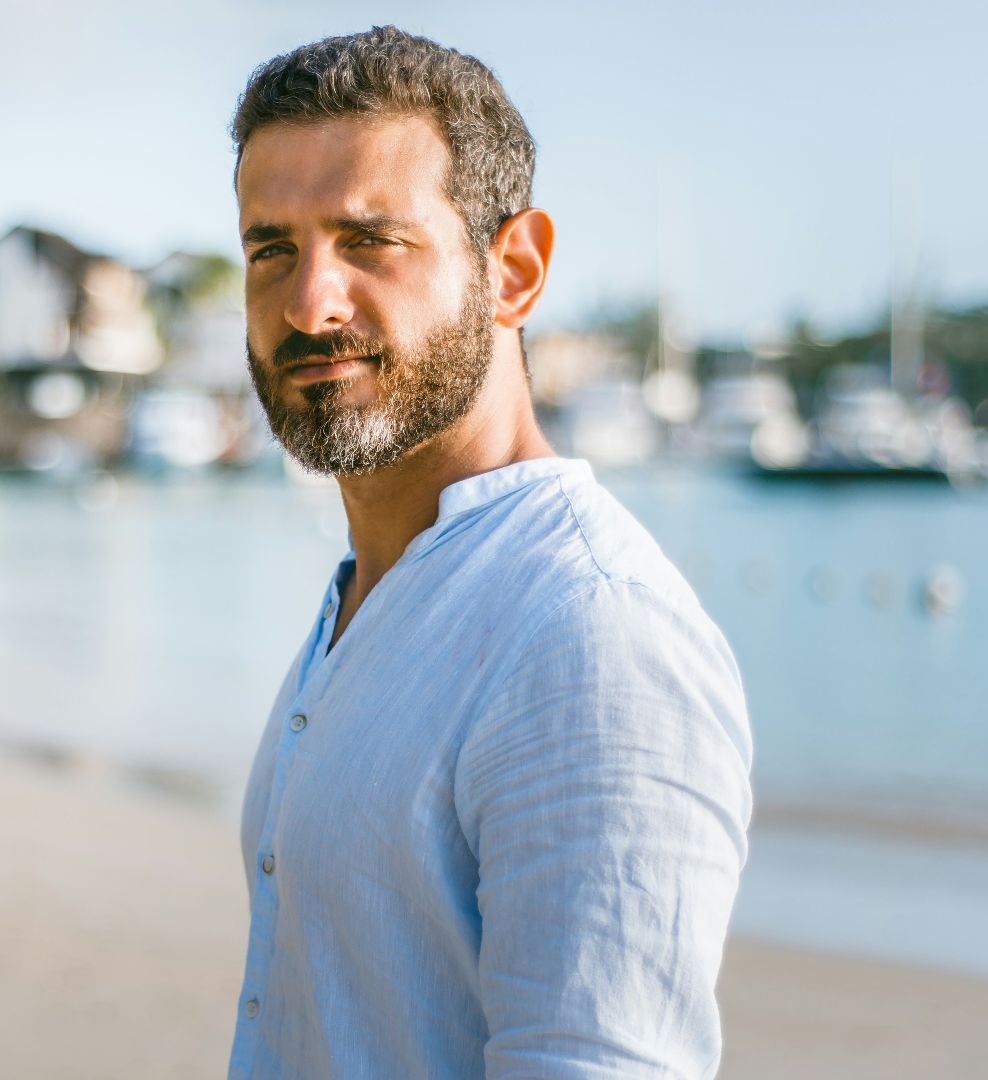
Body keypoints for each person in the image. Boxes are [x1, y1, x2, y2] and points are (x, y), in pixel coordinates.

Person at [227, 27, 753, 1079]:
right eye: (272, 247)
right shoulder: (372, 595)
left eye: (370, 239)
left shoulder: (589, 637)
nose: (307, 302)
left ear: (513, 271)